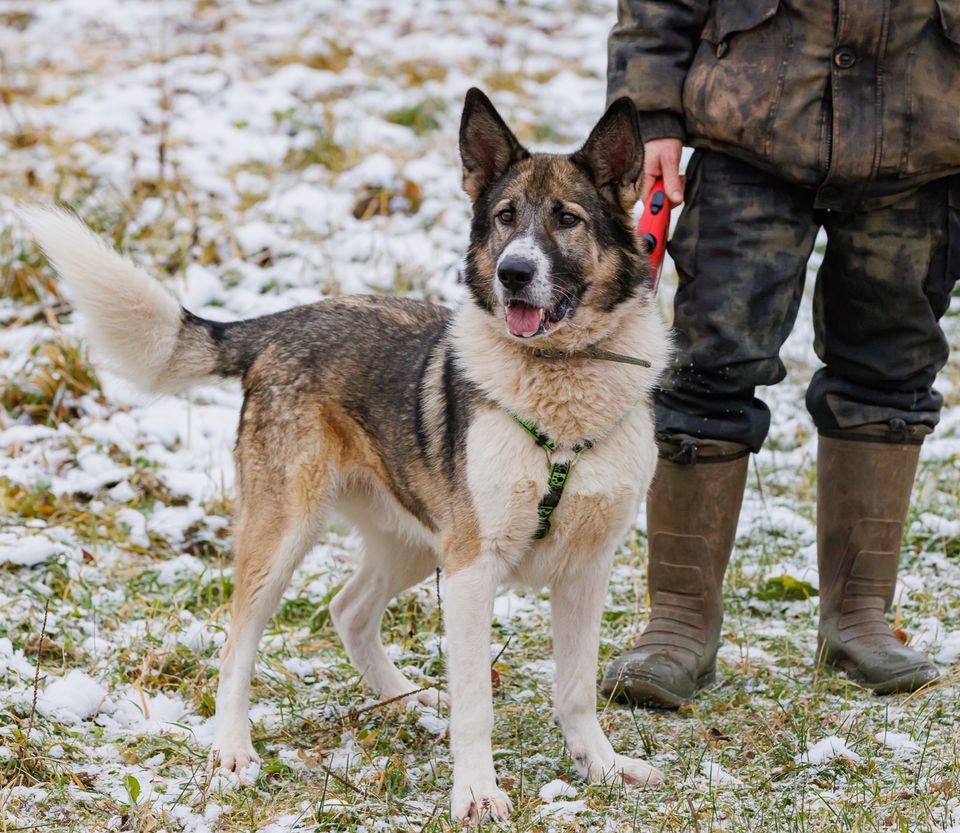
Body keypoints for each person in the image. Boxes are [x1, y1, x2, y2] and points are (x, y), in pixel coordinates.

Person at [600, 0, 960, 708]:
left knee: (892, 370)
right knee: (709, 364)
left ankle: (859, 616)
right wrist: (652, 113)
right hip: (752, 122)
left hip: (927, 131)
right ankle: (679, 621)